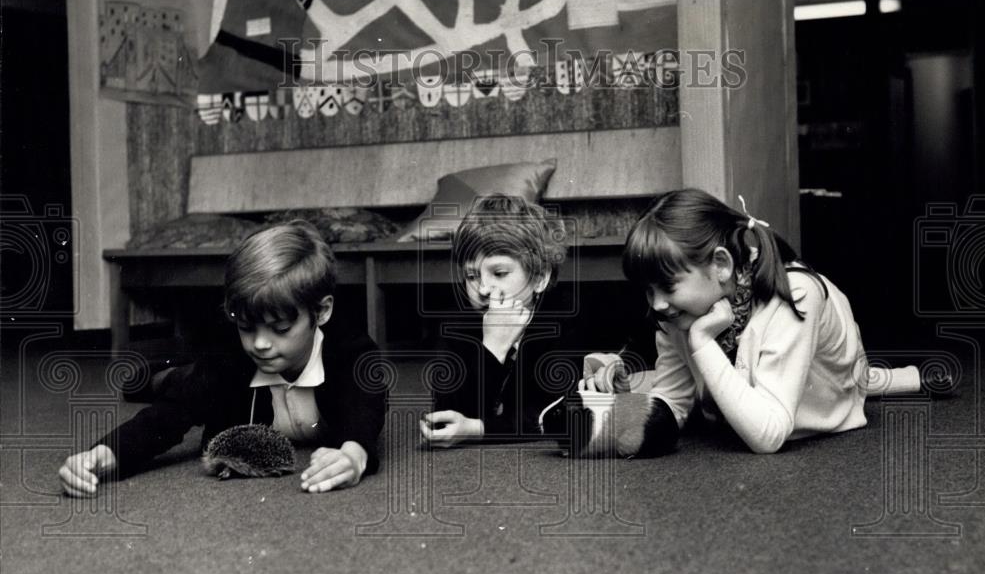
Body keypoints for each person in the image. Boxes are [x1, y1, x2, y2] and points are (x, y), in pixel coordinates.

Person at [59, 220, 385, 496]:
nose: (260, 344)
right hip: (210, 372)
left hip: (218, 367)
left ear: (322, 311)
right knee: (183, 384)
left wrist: (354, 455)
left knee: (194, 376)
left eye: (280, 328)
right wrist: (104, 453)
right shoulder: (230, 356)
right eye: (246, 327)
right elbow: (168, 416)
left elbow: (365, 407)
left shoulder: (352, 351)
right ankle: (153, 376)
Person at [584, 188, 919, 454]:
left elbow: (768, 434)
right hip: (759, 383)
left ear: (721, 265)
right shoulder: (677, 312)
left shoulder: (795, 296)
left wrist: (702, 342)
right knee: (655, 385)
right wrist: (619, 421)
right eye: (647, 290)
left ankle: (891, 379)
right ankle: (901, 378)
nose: (657, 304)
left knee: (858, 379)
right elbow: (674, 399)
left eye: (668, 286)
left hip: (826, 387)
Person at [420, 194, 574, 447]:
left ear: (539, 278)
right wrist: (491, 349)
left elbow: (553, 413)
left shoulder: (560, 324)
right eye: (471, 275)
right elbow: (448, 413)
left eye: (499, 273)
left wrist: (478, 429)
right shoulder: (456, 326)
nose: (482, 288)